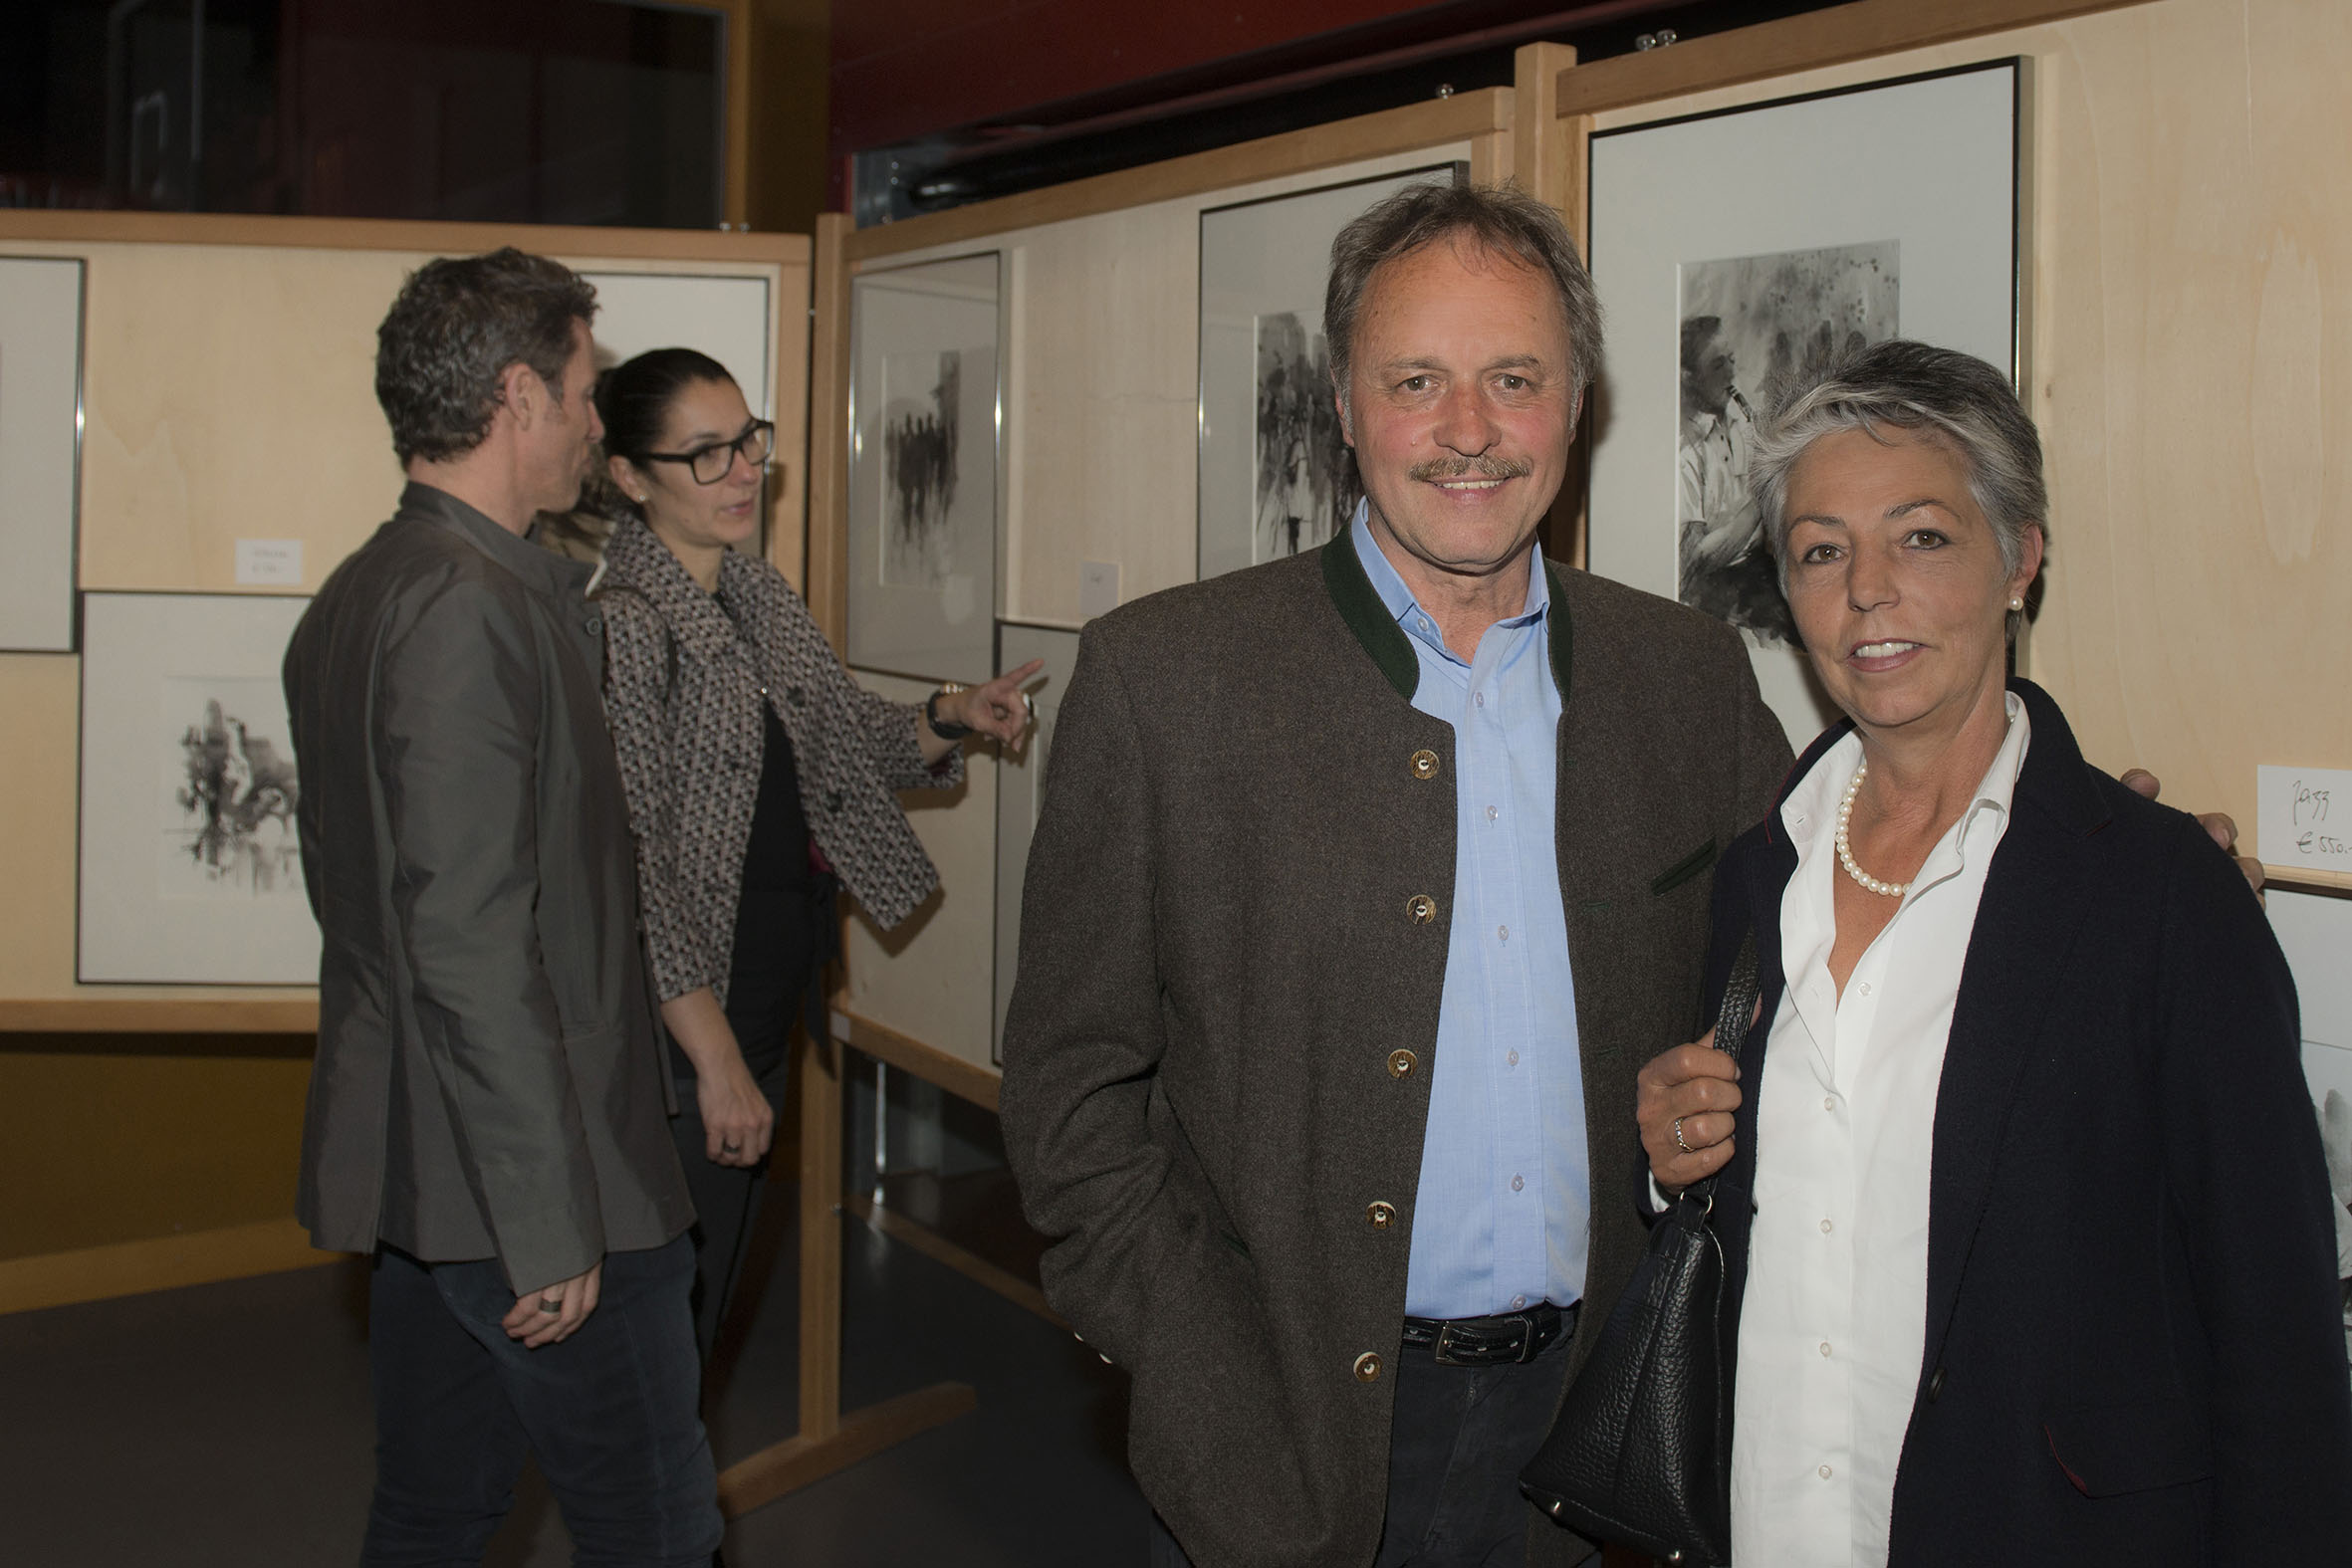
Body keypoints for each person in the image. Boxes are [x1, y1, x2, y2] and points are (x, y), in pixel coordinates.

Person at [998, 181, 1798, 1568]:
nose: (1469, 429)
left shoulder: (1686, 678)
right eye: (1416, 380)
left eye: (1514, 379)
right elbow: (1070, 1093)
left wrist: (2050, 830)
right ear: (1344, 405)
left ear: (1576, 403)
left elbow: (1821, 943)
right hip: (1286, 1437)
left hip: (1595, 1424)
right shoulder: (1163, 683)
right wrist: (1199, 1371)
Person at [1635, 339, 2352, 1564]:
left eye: (1920, 537)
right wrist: (1671, 1163)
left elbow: (2276, 1339)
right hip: (1773, 1525)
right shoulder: (1759, 873)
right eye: (1821, 551)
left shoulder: (2161, 894)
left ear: (2018, 559)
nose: (1867, 591)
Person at [284, 249, 722, 1566]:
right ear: (518, 397)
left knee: (436, 1508)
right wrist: (545, 1222)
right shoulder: (462, 610)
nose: (596, 421)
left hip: (434, 1173)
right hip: (536, 1180)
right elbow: (466, 939)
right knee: (654, 1531)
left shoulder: (371, 587)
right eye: (584, 390)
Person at [588, 346, 1037, 1358]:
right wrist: (713, 1063)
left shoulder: (756, 594)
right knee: (663, 1322)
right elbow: (639, 866)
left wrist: (953, 714)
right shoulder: (627, 627)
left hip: (767, 992)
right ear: (629, 476)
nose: (743, 470)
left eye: (748, 441)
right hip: (683, 1023)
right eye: (705, 454)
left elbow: (845, 741)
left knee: (703, 1301)